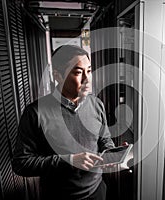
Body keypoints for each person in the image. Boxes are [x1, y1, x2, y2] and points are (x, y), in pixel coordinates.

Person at [12, 45, 115, 200]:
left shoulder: (96, 104)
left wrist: (113, 154)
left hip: (97, 191)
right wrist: (70, 160)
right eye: (78, 72)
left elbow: (104, 139)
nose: (87, 79)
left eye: (89, 70)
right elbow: (21, 163)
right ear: (57, 75)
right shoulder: (35, 113)